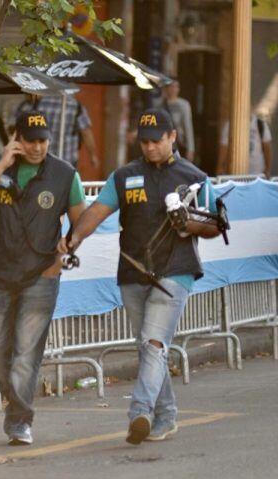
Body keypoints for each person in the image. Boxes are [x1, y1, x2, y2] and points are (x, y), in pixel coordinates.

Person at [65, 108, 221, 444]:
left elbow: (214, 225)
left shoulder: (195, 177)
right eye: (144, 141)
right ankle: (166, 416)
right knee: (150, 348)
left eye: (156, 141)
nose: (149, 147)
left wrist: (188, 222)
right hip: (133, 271)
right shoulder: (124, 176)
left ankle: (139, 412)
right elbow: (96, 211)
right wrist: (73, 239)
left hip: (176, 271)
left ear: (173, 137)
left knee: (153, 343)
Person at [0, 109, 87, 446]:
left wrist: (65, 252)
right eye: (30, 140)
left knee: (26, 352)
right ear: (17, 139)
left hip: (40, 275)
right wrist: (3, 164)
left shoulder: (65, 175)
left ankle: (19, 421)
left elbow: (82, 220)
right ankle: (17, 404)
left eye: (43, 141)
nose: (37, 147)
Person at [12, 95, 99, 170]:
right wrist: (93, 156)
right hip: (68, 160)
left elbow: (16, 126)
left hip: (40, 158)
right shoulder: (76, 106)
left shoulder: (36, 104)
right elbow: (86, 133)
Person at [215, 112, 272, 177]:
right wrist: (219, 168)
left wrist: (267, 170)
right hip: (235, 173)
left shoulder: (261, 125)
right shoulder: (230, 125)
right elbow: (224, 148)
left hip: (257, 173)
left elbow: (267, 150)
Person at [153, 81, 195, 161]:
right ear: (166, 88)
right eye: (171, 87)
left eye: (176, 87)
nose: (173, 89)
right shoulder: (159, 105)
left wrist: (191, 149)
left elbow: (188, 127)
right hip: (163, 144)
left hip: (179, 143)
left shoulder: (184, 105)